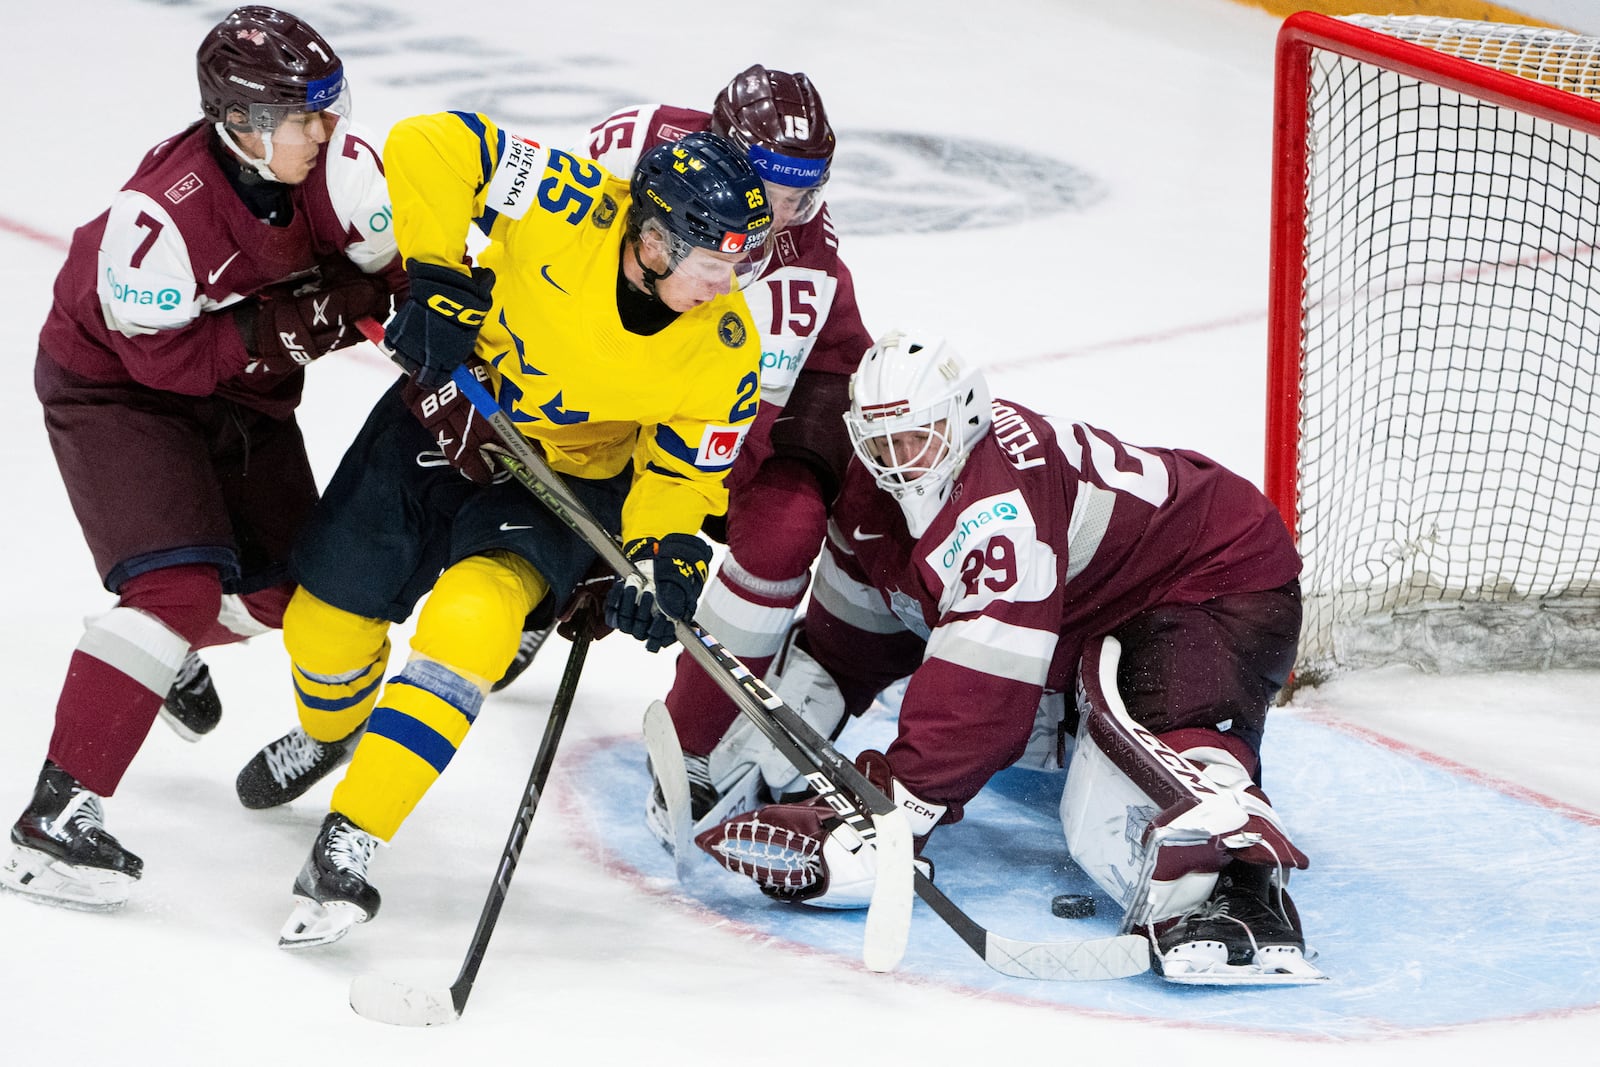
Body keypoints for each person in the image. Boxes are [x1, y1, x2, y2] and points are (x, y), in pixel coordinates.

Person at [237, 110, 774, 948]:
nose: (726, 284)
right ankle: (333, 730)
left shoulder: (730, 343)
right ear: (656, 240)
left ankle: (351, 838)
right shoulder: (572, 202)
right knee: (323, 627)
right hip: (446, 419)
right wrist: (439, 275)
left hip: (564, 481)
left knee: (473, 621)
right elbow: (430, 143)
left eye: (741, 263)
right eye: (712, 262)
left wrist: (662, 553)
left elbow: (681, 473)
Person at [679, 331, 1322, 984]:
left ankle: (1242, 891)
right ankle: (1076, 721)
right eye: (882, 443)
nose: (899, 461)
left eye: (916, 437)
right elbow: (860, 631)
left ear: (966, 416)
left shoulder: (998, 507)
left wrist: (892, 818)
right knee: (1070, 746)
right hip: (1094, 601)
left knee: (1170, 746)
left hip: (1213, 571)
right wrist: (785, 733)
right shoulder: (875, 491)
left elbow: (983, 700)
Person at [0, 6, 403, 912]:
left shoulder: (337, 171)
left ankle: (154, 648)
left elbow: (390, 278)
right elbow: (166, 361)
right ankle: (52, 822)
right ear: (246, 122)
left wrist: (419, 310)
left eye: (330, 109)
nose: (328, 130)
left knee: (304, 588)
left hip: (240, 397)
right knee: (175, 588)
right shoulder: (161, 218)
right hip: (116, 390)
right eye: (307, 116)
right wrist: (305, 318)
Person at [497, 65, 875, 809]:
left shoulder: (798, 272)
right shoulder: (633, 141)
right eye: (778, 190)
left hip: (798, 396)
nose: (791, 211)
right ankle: (556, 578)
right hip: (647, 353)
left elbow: (729, 432)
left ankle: (695, 737)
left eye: (807, 192)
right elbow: (546, 250)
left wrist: (643, 543)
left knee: (777, 530)